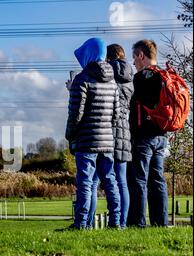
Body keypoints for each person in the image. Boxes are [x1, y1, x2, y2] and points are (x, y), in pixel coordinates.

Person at [65, 37, 121, 229]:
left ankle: (81, 223)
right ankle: (116, 222)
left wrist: (70, 135)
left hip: (86, 141)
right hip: (107, 141)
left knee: (86, 183)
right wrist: (107, 132)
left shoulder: (82, 80)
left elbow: (75, 114)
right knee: (110, 181)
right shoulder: (113, 81)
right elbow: (116, 114)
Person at [87, 44, 134, 229]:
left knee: (95, 179)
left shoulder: (106, 74)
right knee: (121, 180)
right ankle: (120, 224)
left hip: (106, 130)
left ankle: (86, 222)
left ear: (108, 57)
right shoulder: (130, 77)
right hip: (124, 130)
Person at [127, 39, 168, 228]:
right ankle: (161, 223)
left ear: (141, 55)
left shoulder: (141, 78)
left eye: (134, 58)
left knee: (139, 180)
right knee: (157, 179)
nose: (133, 63)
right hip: (162, 136)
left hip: (144, 136)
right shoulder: (164, 75)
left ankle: (138, 223)